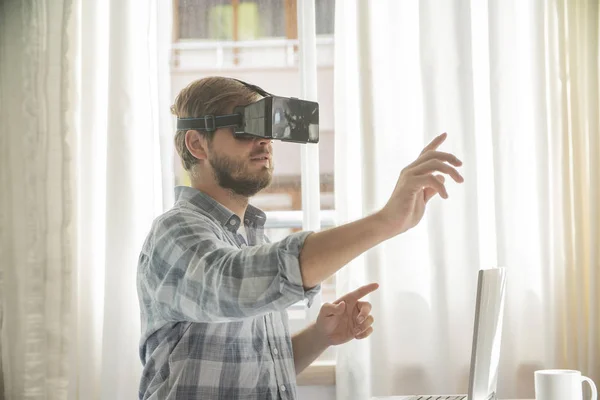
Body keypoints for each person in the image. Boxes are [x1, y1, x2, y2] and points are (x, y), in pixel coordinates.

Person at [136, 76, 464, 400]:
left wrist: (321, 336)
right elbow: (235, 281)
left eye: (268, 129)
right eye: (246, 126)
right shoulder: (174, 233)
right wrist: (386, 221)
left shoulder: (251, 238)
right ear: (197, 144)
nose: (264, 141)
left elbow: (256, 371)